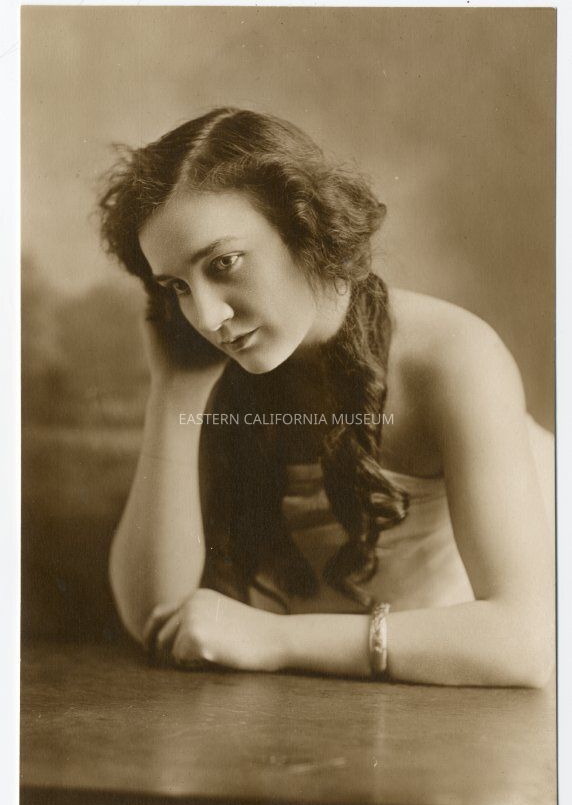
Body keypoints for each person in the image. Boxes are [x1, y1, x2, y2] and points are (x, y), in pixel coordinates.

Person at [98, 107, 555, 687]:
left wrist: (274, 640)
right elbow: (158, 619)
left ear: (304, 227)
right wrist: (174, 392)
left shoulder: (452, 356)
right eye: (178, 287)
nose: (208, 317)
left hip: (468, 695)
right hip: (333, 703)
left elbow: (529, 643)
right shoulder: (216, 365)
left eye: (224, 263)